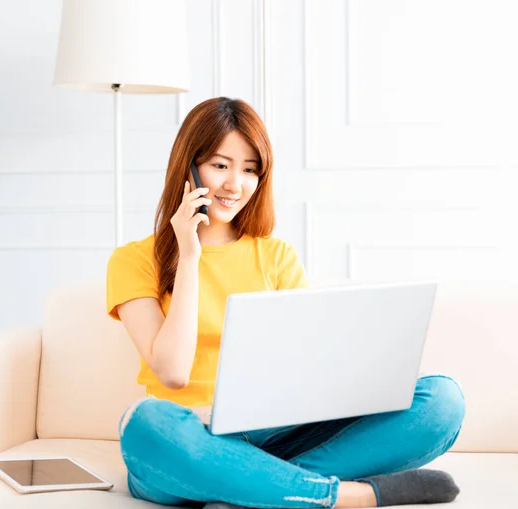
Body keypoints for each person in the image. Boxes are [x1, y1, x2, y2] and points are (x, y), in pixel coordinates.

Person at [106, 97, 465, 509]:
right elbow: (171, 373)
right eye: (220, 165)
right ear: (187, 167)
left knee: (442, 400)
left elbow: (305, 371)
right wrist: (189, 258)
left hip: (276, 436)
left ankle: (253, 490)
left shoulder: (277, 257)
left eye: (249, 169)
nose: (234, 184)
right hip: (189, 439)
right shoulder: (133, 260)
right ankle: (349, 496)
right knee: (145, 425)